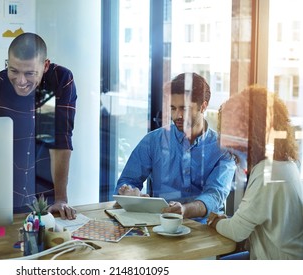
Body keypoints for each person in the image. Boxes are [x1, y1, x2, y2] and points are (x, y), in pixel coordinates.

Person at [0, 32, 77, 219]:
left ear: (45, 66)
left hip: (45, 199)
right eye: (13, 70)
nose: (21, 81)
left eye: (29, 73)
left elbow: (60, 140)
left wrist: (60, 199)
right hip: (1, 195)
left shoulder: (59, 80)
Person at [115, 72, 236, 221]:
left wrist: (185, 210)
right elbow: (128, 181)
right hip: (160, 226)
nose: (177, 115)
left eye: (184, 109)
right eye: (173, 108)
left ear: (203, 106)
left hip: (204, 232)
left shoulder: (223, 149)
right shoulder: (153, 141)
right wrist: (129, 193)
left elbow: (215, 194)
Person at [207, 85, 303, 260]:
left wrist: (215, 221)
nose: (226, 143)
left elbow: (237, 232)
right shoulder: (286, 164)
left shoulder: (269, 174)